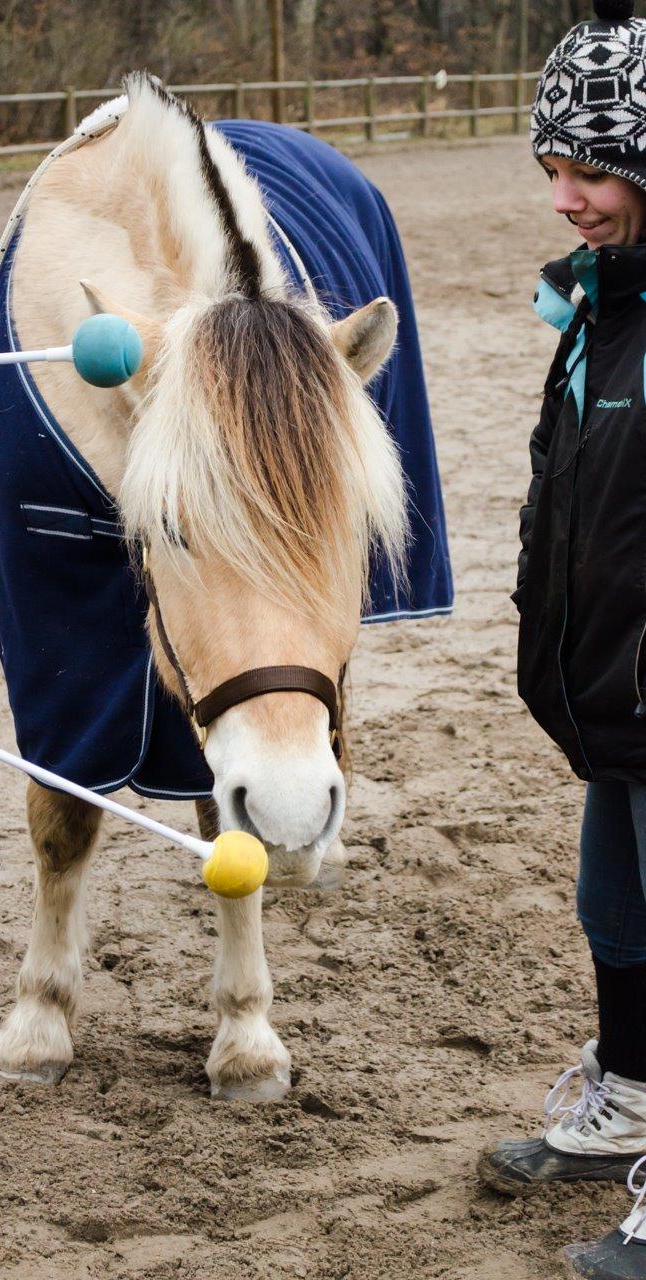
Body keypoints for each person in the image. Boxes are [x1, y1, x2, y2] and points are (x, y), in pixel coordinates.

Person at [475, 1, 646, 1273]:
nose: (563, 198)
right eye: (551, 168)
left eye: (589, 168)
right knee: (614, 908)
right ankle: (628, 1100)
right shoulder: (596, 307)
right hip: (612, 694)